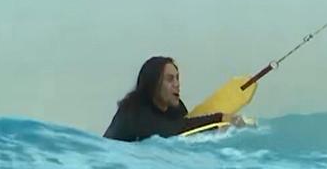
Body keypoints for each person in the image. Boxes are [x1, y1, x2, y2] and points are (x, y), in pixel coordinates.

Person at [103, 55, 246, 142]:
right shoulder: (133, 111)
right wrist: (219, 118)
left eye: (177, 78)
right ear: (154, 84)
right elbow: (173, 130)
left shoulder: (175, 107)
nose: (177, 84)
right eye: (170, 79)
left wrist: (223, 126)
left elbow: (185, 128)